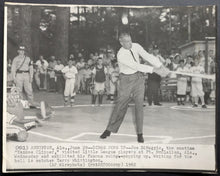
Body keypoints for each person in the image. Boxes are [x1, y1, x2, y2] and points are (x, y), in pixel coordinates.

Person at [100, 33, 168, 143]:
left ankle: (140, 133)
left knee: (139, 105)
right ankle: (109, 129)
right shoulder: (121, 54)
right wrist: (154, 70)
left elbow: (147, 56)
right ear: (121, 43)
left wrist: (161, 66)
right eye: (126, 42)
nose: (130, 43)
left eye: (130, 40)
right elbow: (135, 65)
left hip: (139, 78)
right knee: (120, 105)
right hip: (126, 80)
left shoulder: (136, 46)